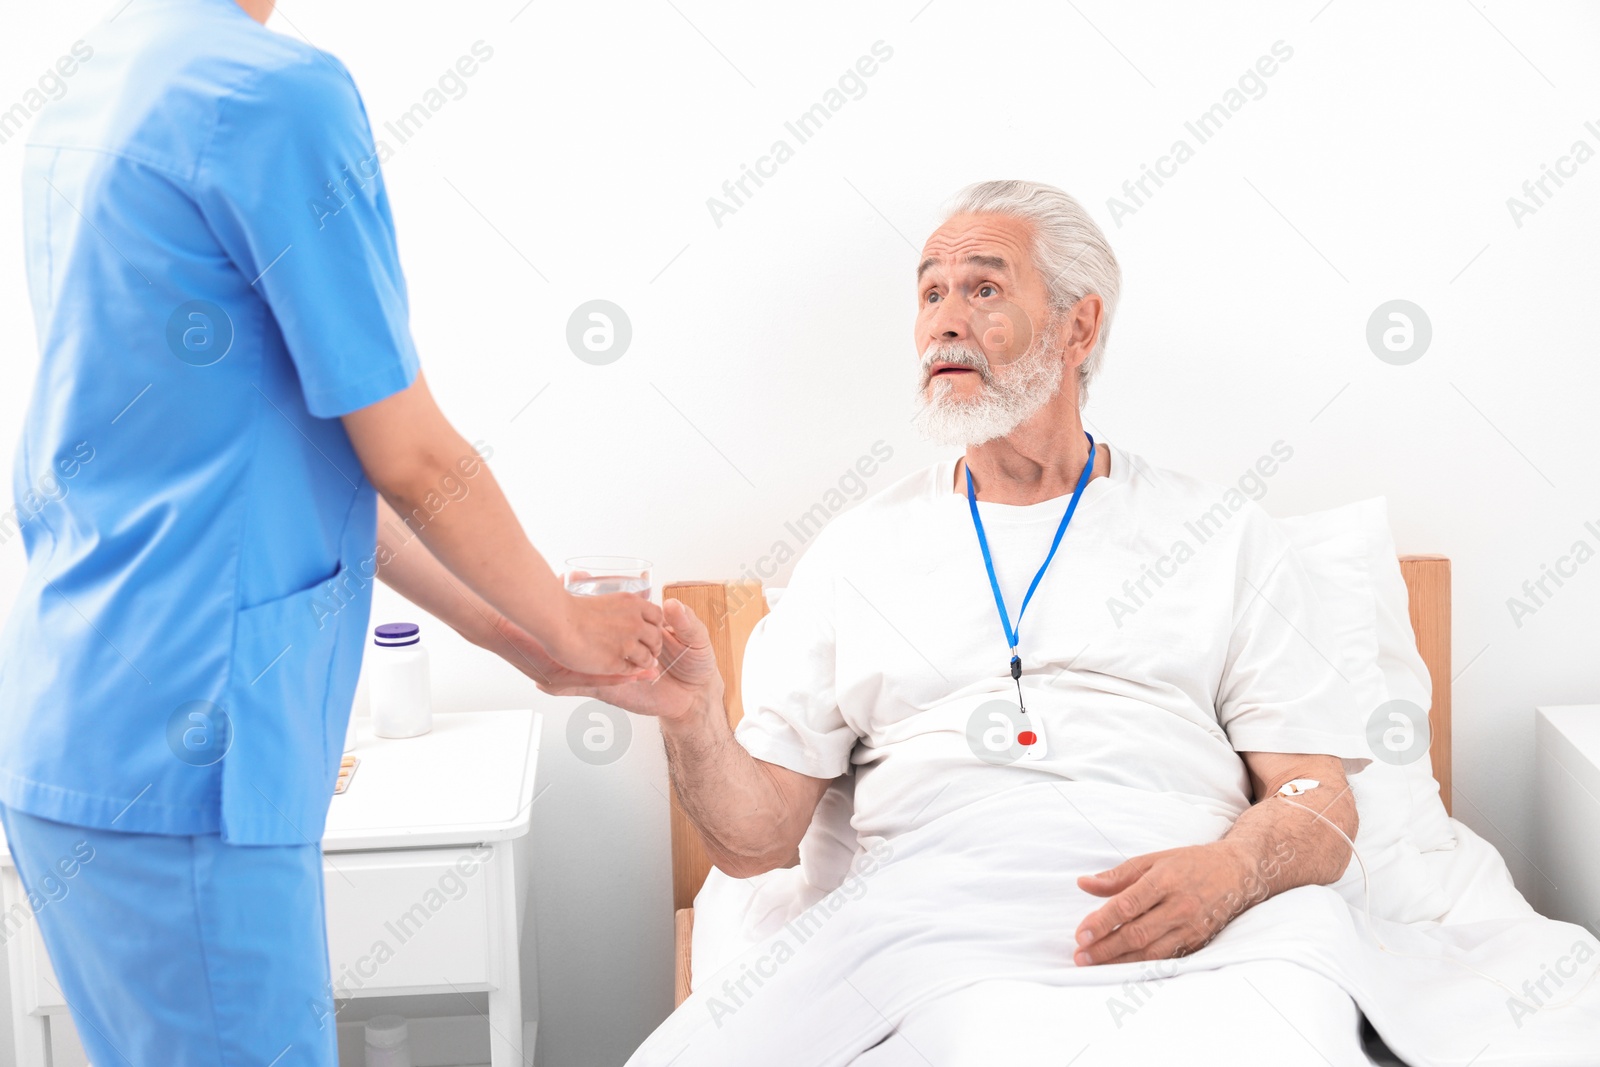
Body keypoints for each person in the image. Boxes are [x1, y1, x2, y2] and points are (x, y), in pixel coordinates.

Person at [550, 180, 1380, 1064]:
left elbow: (1316, 795)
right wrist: (693, 721)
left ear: (1078, 327)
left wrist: (1228, 874)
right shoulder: (855, 551)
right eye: (930, 292)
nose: (945, 320)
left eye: (983, 288)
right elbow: (756, 843)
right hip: (932, 920)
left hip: (1188, 910)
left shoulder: (1223, 537)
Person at [0, 0, 660, 1063]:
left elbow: (289, 466)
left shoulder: (90, 83)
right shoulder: (273, 92)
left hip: (71, 726)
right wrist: (568, 623)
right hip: (194, 744)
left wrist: (511, 632)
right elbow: (411, 451)